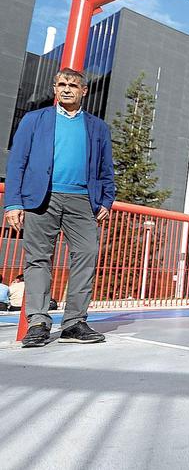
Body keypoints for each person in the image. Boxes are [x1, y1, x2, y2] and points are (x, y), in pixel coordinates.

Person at [4, 67, 115, 348]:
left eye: (73, 85)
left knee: (87, 254)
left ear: (83, 91)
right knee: (38, 259)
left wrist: (106, 200)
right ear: (55, 88)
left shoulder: (97, 127)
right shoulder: (34, 120)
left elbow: (105, 169)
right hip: (41, 199)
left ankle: (74, 322)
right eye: (61, 84)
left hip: (82, 201)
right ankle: (39, 322)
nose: (66, 89)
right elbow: (17, 163)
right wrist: (14, 203)